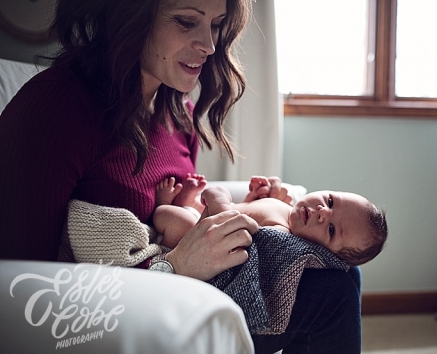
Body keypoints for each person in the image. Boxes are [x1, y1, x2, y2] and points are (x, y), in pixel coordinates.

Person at [0, 0, 362, 352]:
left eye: (217, 24)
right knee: (334, 294)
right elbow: (22, 285)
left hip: (186, 283)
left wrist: (253, 212)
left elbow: (178, 212)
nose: (209, 45)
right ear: (128, 15)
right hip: (117, 309)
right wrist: (175, 269)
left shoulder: (177, 111)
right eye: (186, 22)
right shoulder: (53, 108)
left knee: (338, 266)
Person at [154, 176, 388, 266]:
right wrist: (253, 198)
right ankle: (186, 203)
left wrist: (220, 205)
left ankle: (170, 206)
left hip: (196, 240)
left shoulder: (281, 235)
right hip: (205, 220)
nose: (322, 212)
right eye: (330, 201)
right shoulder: (286, 208)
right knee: (191, 210)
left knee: (169, 216)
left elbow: (238, 236)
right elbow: (247, 210)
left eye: (331, 228)